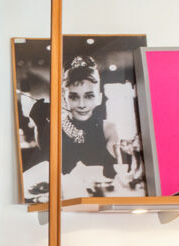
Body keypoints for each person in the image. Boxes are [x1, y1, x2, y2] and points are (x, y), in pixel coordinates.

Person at [60, 55, 143, 192]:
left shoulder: (108, 129)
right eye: (74, 97)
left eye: (89, 96)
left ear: (99, 98)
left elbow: (119, 175)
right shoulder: (55, 129)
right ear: (64, 99)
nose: (82, 104)